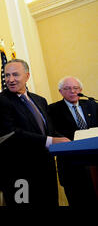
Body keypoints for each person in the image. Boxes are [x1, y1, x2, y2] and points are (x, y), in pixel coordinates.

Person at [0, 59, 69, 206]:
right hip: (19, 175)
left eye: (15, 75)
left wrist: (69, 140)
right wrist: (50, 141)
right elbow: (11, 134)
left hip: (46, 171)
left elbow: (48, 130)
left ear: (27, 76)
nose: (10, 80)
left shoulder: (40, 100)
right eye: (7, 75)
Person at [48, 76, 98, 206]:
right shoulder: (52, 109)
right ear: (60, 91)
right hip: (71, 166)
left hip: (94, 163)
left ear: (80, 90)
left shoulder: (92, 105)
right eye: (67, 88)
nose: (72, 91)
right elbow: (51, 131)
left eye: (75, 88)